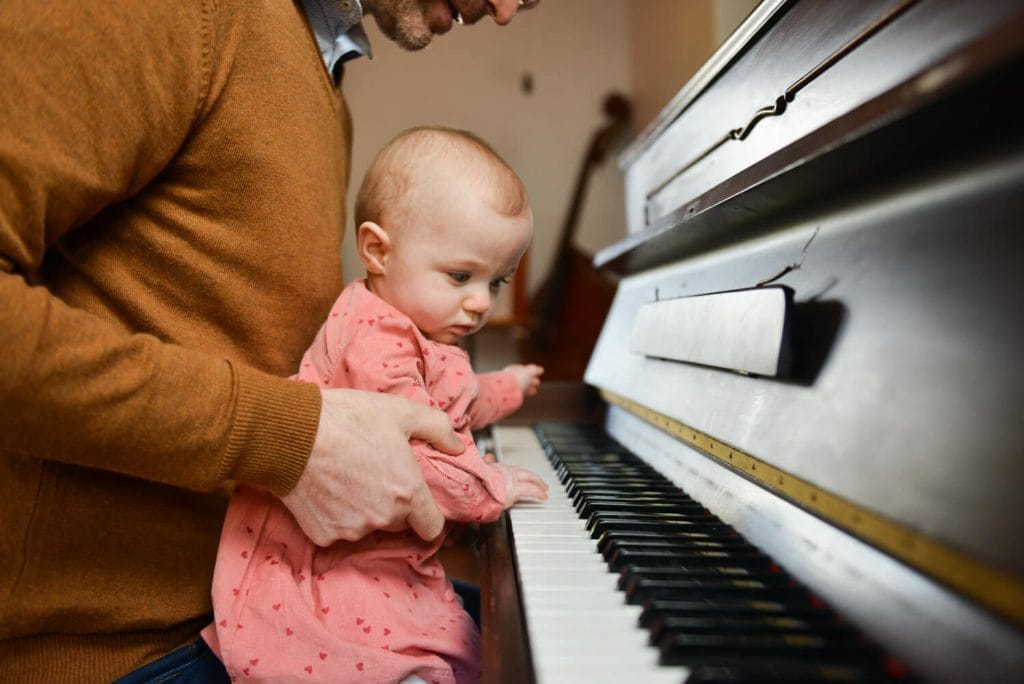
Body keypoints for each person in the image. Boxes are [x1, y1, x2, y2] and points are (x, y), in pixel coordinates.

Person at [0, 1, 539, 681]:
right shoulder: (174, 16)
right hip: (129, 648)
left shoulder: (317, 73)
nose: (509, 9)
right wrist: (289, 437)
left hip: (269, 588)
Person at [204, 126, 548, 683]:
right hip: (332, 565)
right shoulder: (374, 340)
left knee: (472, 642)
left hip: (382, 549)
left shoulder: (422, 332)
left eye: (497, 281)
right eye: (461, 275)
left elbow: (456, 404)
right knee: (417, 658)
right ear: (377, 251)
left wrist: (508, 385)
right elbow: (417, 459)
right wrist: (492, 486)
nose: (481, 301)